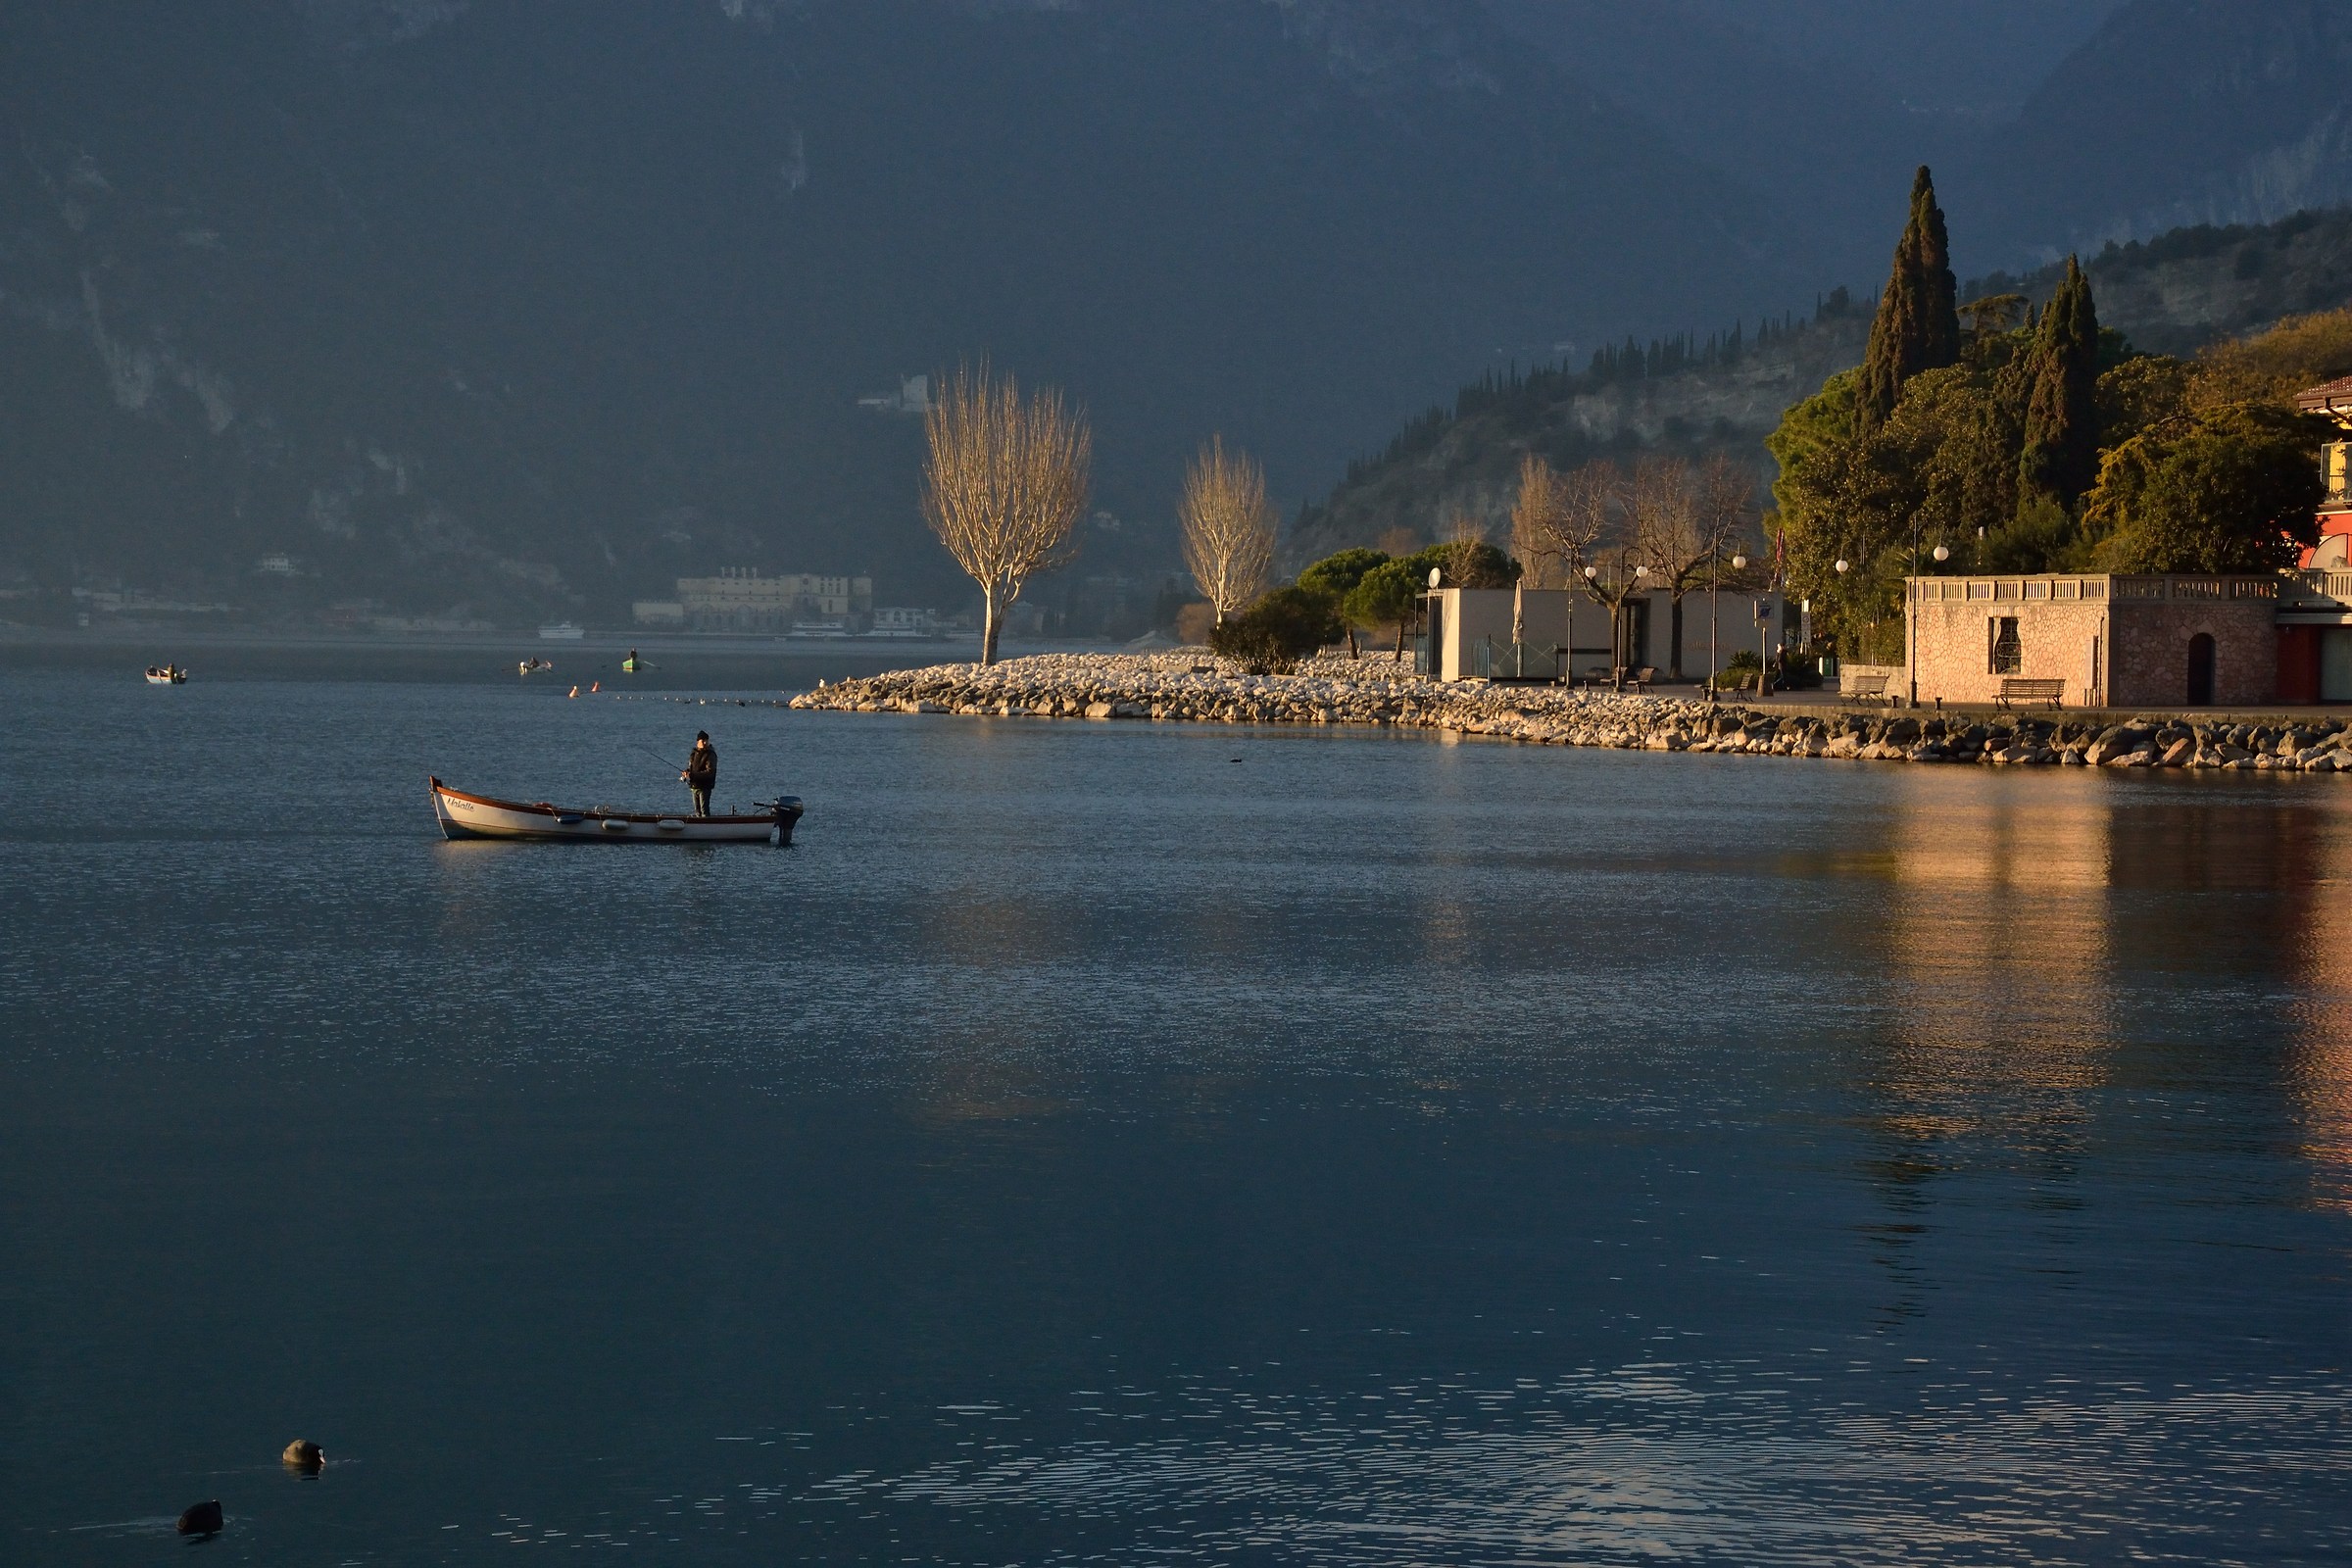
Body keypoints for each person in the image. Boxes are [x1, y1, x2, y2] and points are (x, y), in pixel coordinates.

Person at [682, 731, 717, 816]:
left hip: (705, 786)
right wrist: (686, 772)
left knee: (704, 811)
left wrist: (693, 775)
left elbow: (710, 772)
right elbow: (691, 768)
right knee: (697, 811)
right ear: (698, 742)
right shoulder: (694, 754)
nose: (705, 743)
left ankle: (706, 826)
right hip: (694, 786)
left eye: (706, 740)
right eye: (703, 741)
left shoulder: (710, 754)